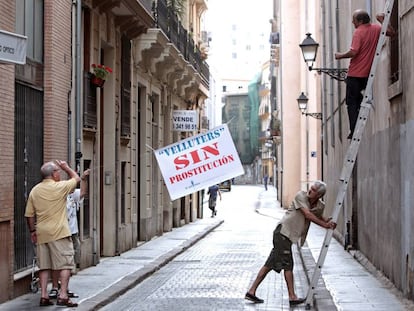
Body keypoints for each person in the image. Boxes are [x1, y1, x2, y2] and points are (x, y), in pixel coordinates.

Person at [245, 180, 336, 306]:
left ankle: (251, 291)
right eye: (311, 188)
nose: (310, 190)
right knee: (288, 265)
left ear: (319, 195)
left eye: (314, 190)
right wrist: (325, 226)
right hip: (282, 233)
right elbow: (308, 215)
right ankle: (292, 297)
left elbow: (319, 216)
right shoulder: (301, 196)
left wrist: (328, 221)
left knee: (269, 264)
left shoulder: (320, 205)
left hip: (287, 237)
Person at [25, 160, 80, 307]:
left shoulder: (34, 190)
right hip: (60, 233)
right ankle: (63, 295)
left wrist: (32, 231)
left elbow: (29, 215)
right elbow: (76, 178)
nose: (60, 174)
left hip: (42, 233)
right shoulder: (59, 187)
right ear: (54, 174)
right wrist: (66, 167)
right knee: (66, 265)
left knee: (44, 266)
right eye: (58, 171)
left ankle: (44, 296)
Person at [335, 10, 395, 139]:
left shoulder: (359, 32)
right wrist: (383, 21)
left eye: (354, 20)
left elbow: (354, 52)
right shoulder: (376, 28)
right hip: (367, 75)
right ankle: (361, 103)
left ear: (360, 21)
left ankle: (353, 130)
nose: (352, 22)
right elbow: (391, 33)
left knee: (351, 103)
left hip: (355, 73)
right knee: (357, 99)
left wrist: (340, 56)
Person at [49, 169, 90, 300]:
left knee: (70, 263)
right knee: (57, 262)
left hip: (72, 233)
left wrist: (84, 179)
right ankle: (55, 288)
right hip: (59, 233)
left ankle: (64, 288)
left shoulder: (72, 195)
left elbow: (83, 192)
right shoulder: (56, 195)